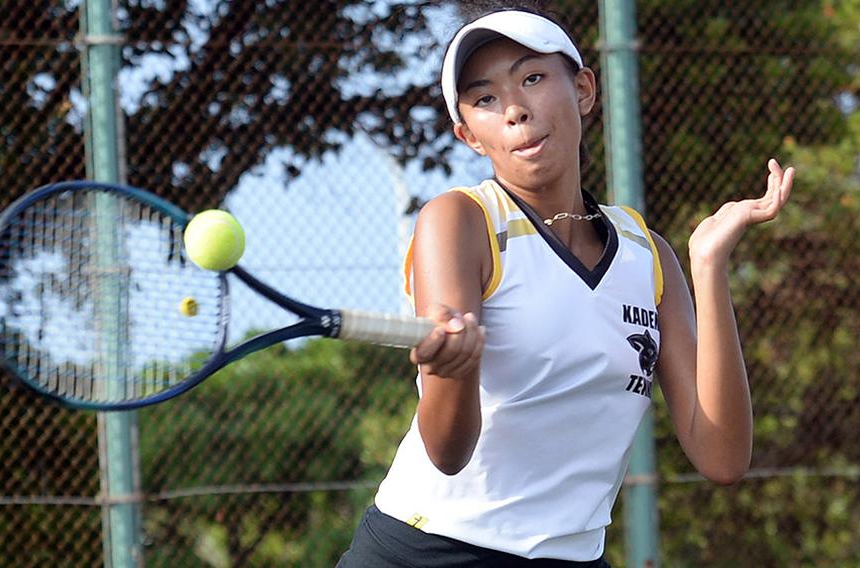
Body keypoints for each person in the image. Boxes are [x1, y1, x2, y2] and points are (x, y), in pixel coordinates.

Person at [337, 4, 795, 567]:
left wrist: (708, 264)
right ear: (468, 135)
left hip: (573, 556)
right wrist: (449, 372)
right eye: (484, 99)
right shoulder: (459, 222)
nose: (513, 110)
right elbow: (447, 454)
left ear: (582, 89)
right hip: (426, 551)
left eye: (532, 78)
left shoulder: (648, 254)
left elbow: (723, 458)